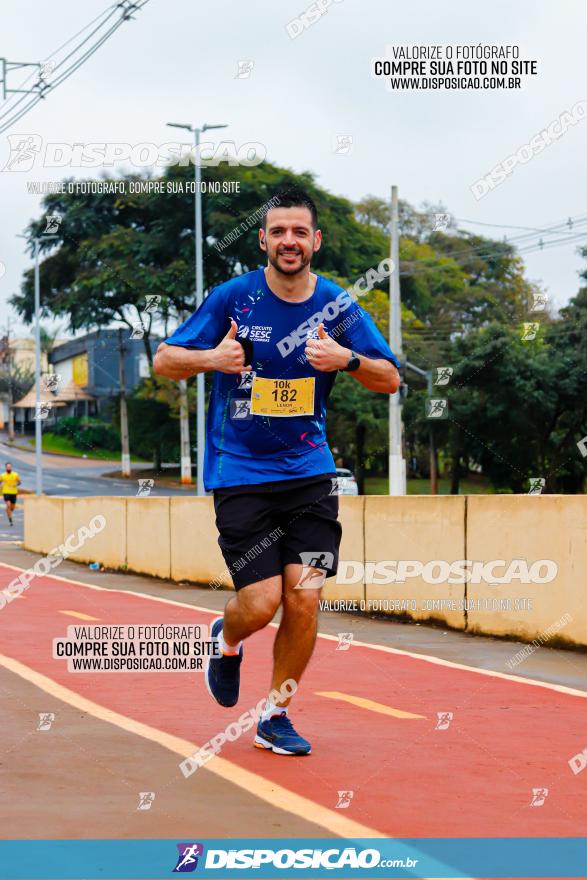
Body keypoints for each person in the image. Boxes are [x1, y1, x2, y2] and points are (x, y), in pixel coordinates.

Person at [154, 188, 400, 756]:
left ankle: (276, 714)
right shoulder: (232, 298)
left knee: (306, 597)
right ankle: (228, 636)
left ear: (315, 241)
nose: (289, 241)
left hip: (311, 476)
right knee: (261, 604)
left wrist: (350, 360)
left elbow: (390, 377)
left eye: (299, 232)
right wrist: (212, 358)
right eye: (278, 231)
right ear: (263, 239)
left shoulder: (339, 306)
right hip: (241, 474)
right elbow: (166, 360)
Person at [1, 462, 21, 526]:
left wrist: (16, 484)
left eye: (10, 467)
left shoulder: (15, 475)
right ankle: (10, 520)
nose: (9, 468)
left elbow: (19, 482)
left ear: (11, 467)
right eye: (7, 467)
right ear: (6, 468)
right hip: (6, 492)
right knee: (9, 505)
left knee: (12, 508)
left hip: (14, 492)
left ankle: (8, 512)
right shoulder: (2, 475)